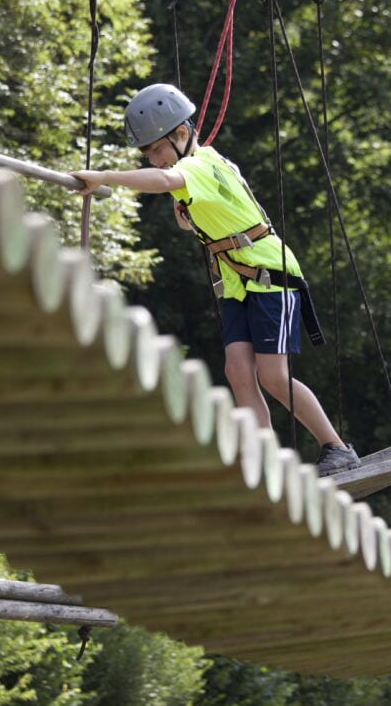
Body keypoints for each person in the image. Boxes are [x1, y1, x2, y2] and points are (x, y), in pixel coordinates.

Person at [72, 83, 362, 476]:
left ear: (181, 134)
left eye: (157, 149)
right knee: (238, 372)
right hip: (239, 282)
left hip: (270, 277)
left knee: (273, 375)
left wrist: (105, 174)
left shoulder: (199, 165)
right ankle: (266, 464)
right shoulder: (199, 167)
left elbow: (165, 182)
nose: (155, 159)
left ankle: (337, 447)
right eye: (148, 154)